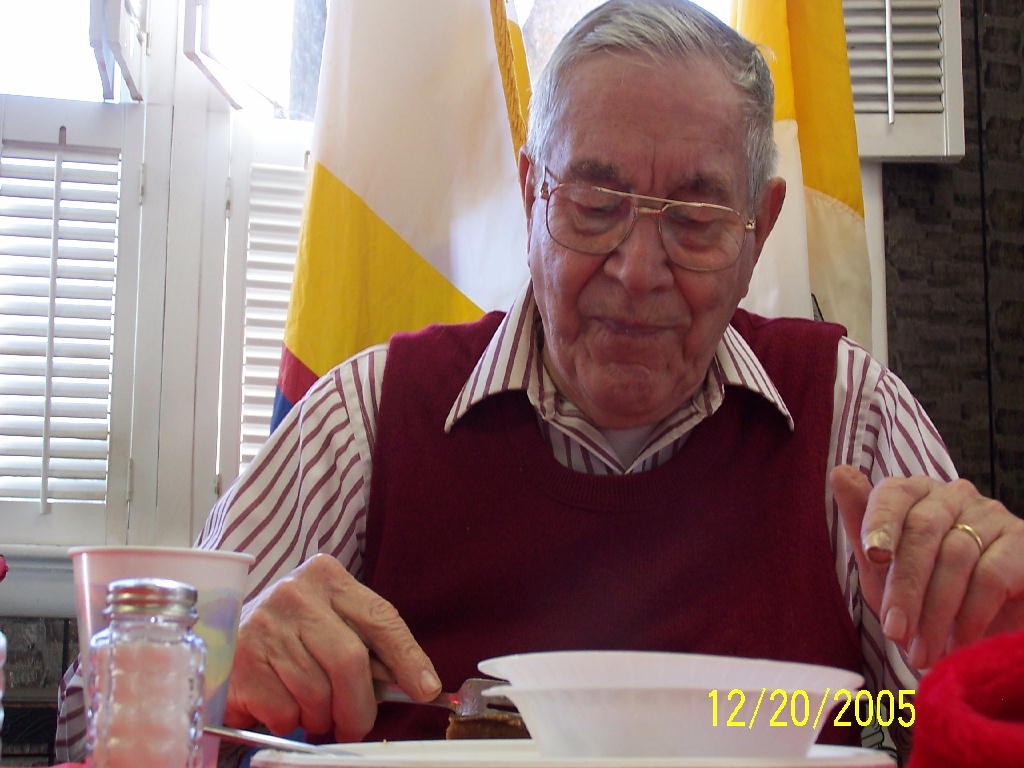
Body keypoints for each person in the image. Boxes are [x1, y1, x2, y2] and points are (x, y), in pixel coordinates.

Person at [56, 0, 1024, 761]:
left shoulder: (850, 416)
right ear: (531, 196)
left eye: (693, 220)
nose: (636, 271)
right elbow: (82, 724)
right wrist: (210, 676)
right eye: (594, 205)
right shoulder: (367, 416)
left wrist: (988, 669)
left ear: (758, 230)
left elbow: (915, 717)